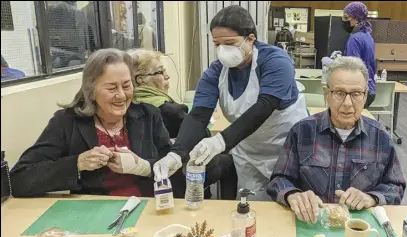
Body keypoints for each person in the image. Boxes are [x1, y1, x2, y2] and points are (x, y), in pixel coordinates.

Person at [153, 5, 308, 200]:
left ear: (250, 39)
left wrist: (220, 141)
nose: (222, 50)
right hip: (248, 149)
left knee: (289, 205)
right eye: (217, 44)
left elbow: (265, 105)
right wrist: (176, 154)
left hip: (286, 149)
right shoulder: (217, 72)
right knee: (253, 207)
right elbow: (199, 115)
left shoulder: (276, 61)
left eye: (229, 43)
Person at [10, 48, 185, 198]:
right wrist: (77, 163)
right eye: (111, 88)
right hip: (92, 213)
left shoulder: (148, 115)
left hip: (147, 206)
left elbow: (174, 171)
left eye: (126, 85)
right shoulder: (67, 122)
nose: (122, 95)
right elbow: (19, 179)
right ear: (91, 90)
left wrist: (144, 167)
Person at [267, 56, 406, 223]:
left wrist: (372, 198)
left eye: (356, 94)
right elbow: (279, 179)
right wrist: (293, 195)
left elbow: (396, 186)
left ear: (365, 96)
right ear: (327, 94)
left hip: (359, 227)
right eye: (339, 93)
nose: (347, 103)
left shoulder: (380, 136)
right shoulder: (302, 131)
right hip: (311, 223)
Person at [129, 49, 238, 199]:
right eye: (160, 72)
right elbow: (201, 133)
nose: (167, 76)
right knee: (231, 161)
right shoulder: (165, 110)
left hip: (149, 176)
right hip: (175, 173)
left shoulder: (132, 107)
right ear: (140, 80)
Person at [342, 2, 376, 109]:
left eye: (346, 17)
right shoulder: (368, 36)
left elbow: (352, 67)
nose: (344, 20)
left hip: (357, 91)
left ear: (356, 18)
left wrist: (335, 64)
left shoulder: (354, 39)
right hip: (369, 89)